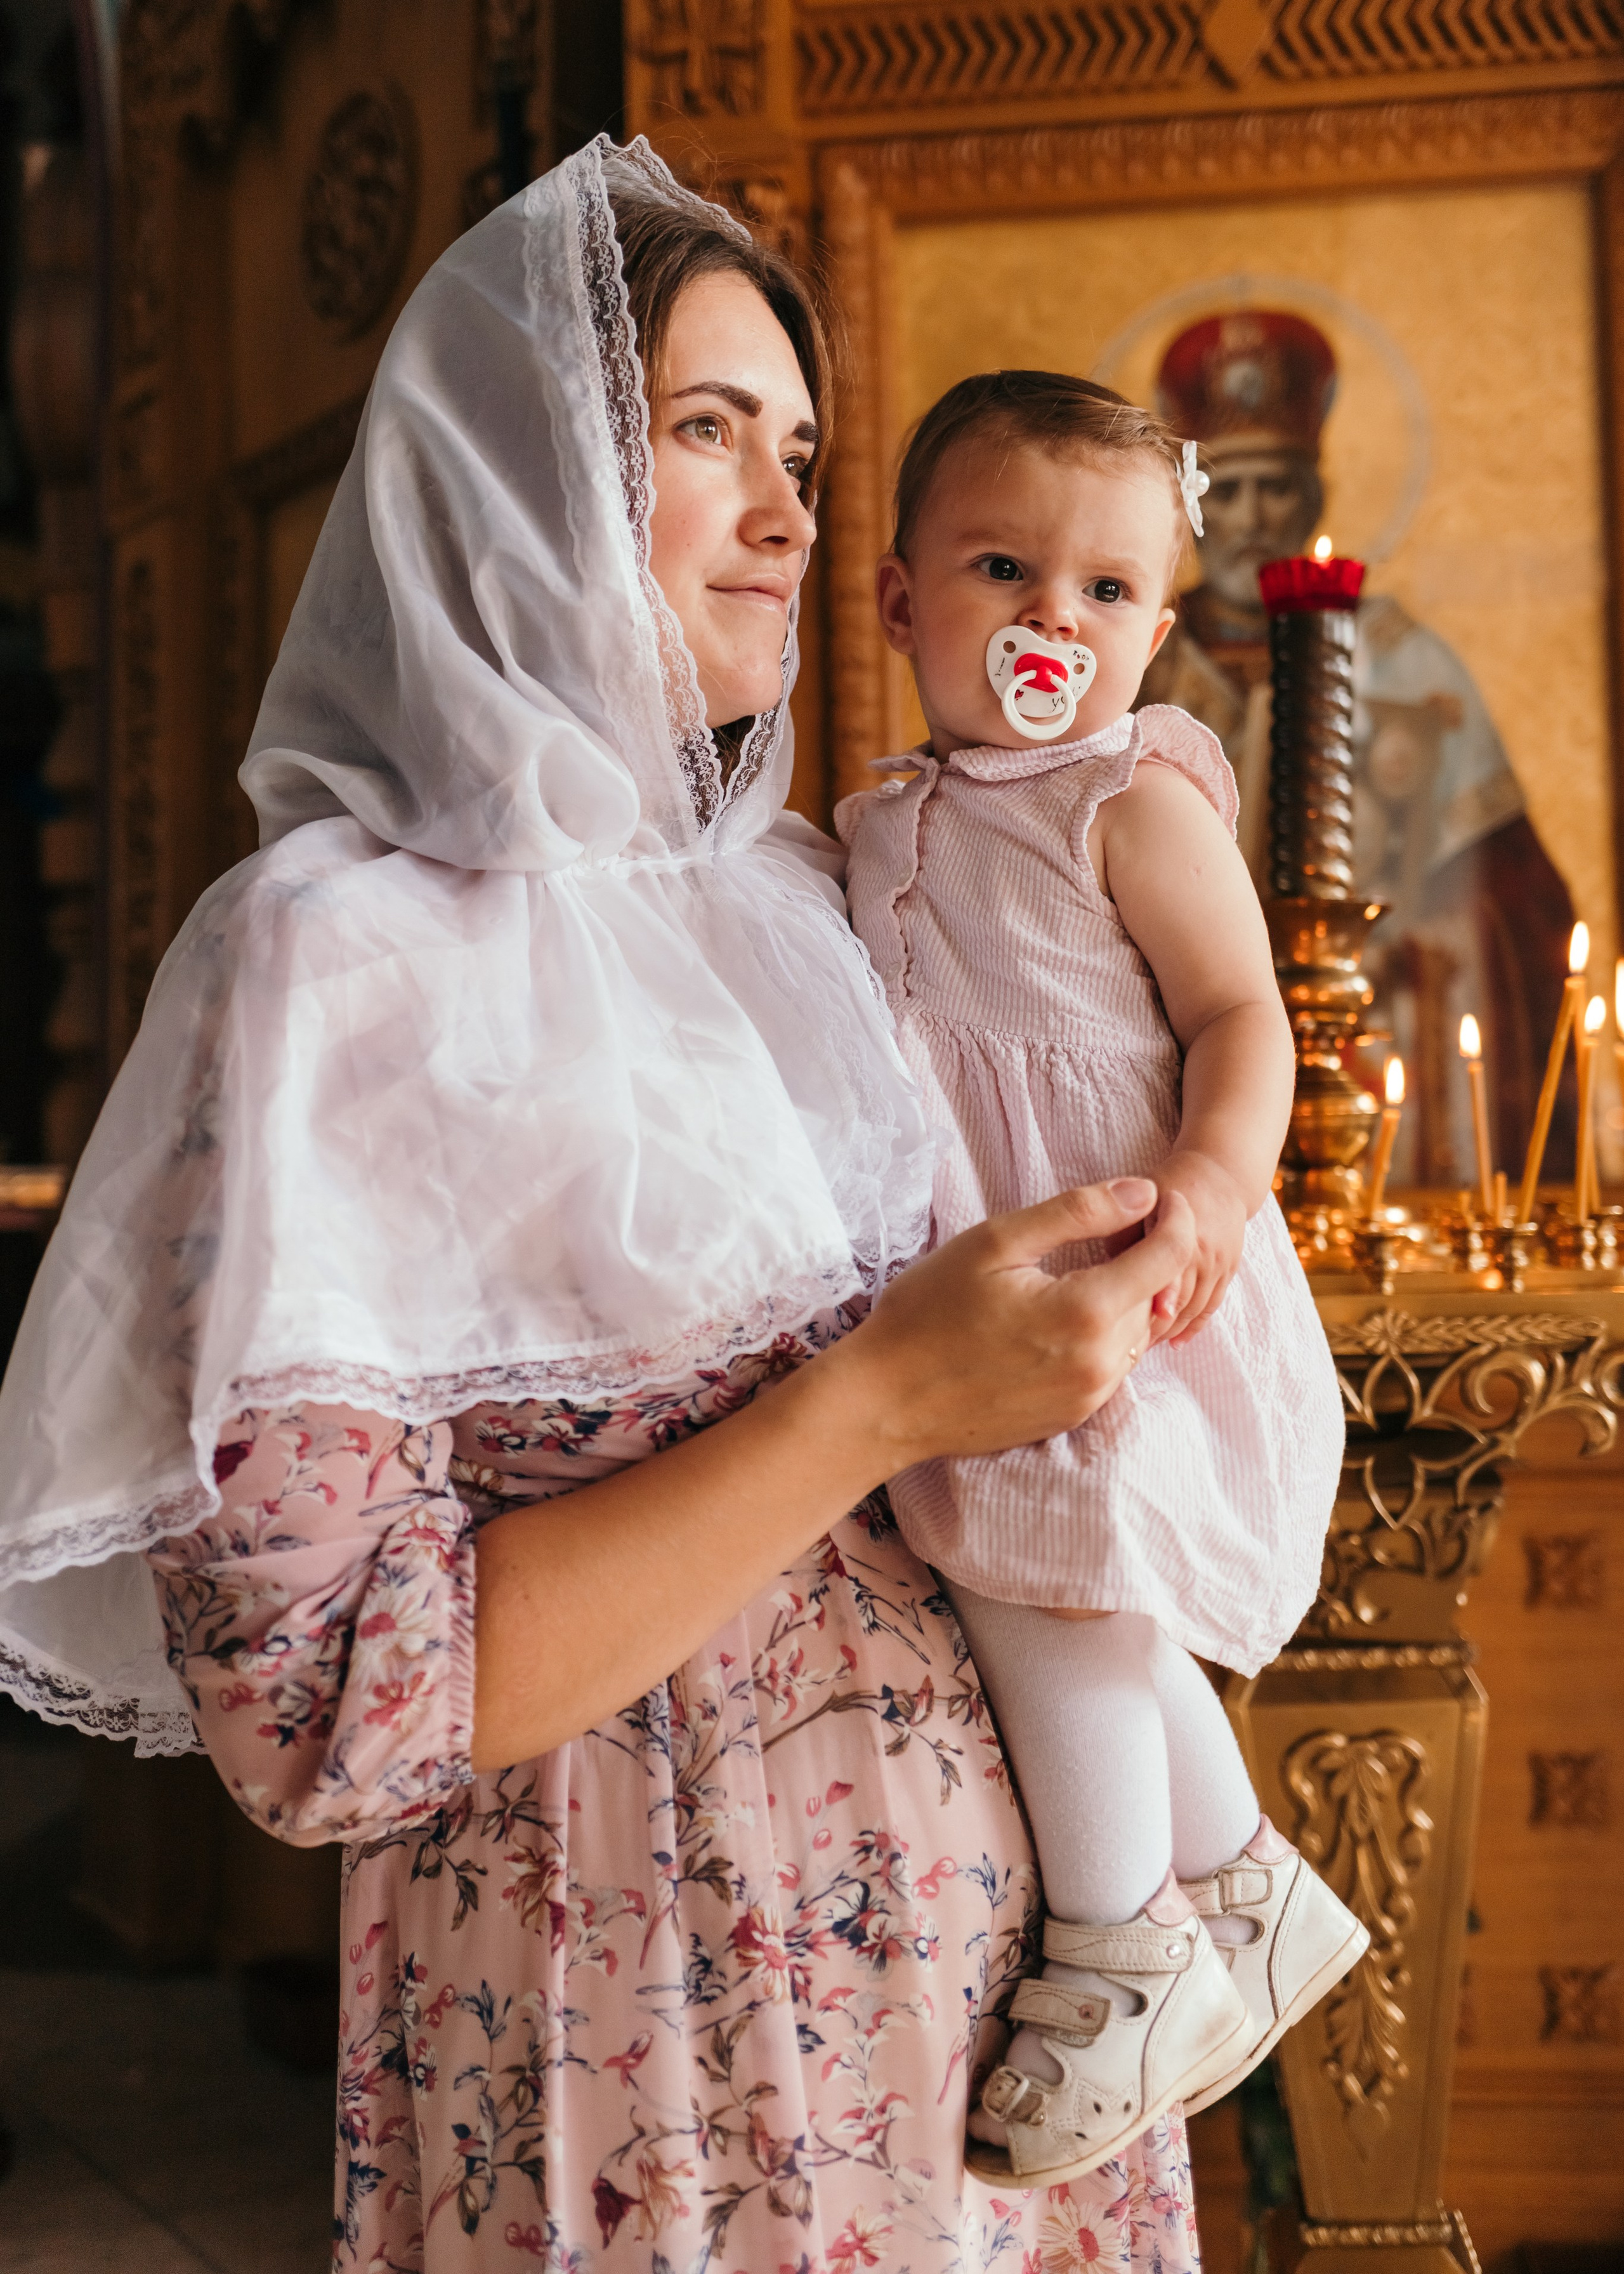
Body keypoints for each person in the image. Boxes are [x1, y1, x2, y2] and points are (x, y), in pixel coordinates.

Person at [0, 144, 1210, 2270]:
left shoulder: (816, 898)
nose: (786, 516)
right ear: (519, 468)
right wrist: (876, 1402)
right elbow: (324, 1711)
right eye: (704, 432)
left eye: (807, 454)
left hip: (993, 1998)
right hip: (641, 2015)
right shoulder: (333, 964)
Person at [839, 370, 1362, 2192]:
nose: (1056, 620)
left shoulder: (1129, 803)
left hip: (1130, 1262)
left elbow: (1241, 1015)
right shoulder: (882, 817)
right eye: (1005, 567)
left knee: (1052, 1583)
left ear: (1155, 621)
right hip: (987, 1264)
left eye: (1110, 592)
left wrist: (1215, 1189)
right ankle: (1248, 1896)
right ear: (902, 599)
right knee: (1084, 1586)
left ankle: (1127, 1952)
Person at [1142, 308, 1575, 1186]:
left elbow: (1511, 911)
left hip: (1388, 1074)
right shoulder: (1136, 660)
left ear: (1318, 494)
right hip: (1173, 1076)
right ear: (1192, 509)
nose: (1255, 516)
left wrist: (1409, 939)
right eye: (1228, 491)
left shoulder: (1410, 665)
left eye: (1280, 487)